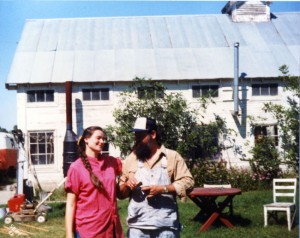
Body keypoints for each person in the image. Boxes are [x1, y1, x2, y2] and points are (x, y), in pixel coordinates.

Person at [117, 117, 194, 238]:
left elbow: (188, 182)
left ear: (153, 134)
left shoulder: (172, 156)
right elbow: (121, 195)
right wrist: (127, 185)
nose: (136, 140)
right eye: (135, 135)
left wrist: (163, 189)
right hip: (138, 227)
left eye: (140, 136)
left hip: (166, 226)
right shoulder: (131, 158)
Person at [65, 126, 124, 238]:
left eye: (103, 138)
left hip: (112, 229)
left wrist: (126, 178)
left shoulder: (111, 162)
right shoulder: (76, 168)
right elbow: (71, 204)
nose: (102, 141)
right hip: (89, 230)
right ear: (86, 139)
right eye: (98, 138)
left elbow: (128, 166)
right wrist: (69, 234)